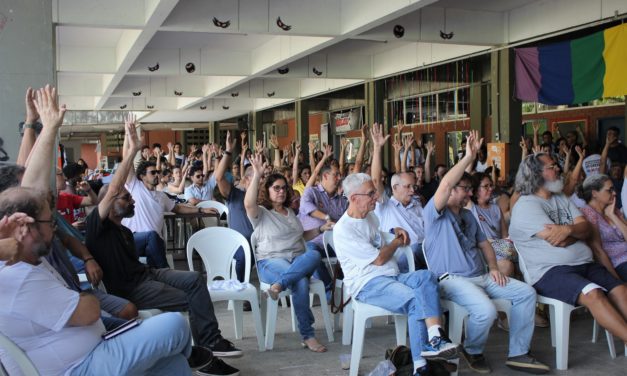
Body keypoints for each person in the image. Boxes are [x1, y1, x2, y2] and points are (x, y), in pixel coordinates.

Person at [85, 117, 240, 376]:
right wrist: (133, 149)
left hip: (147, 274)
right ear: (110, 203)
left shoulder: (123, 229)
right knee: (192, 298)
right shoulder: (97, 227)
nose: (131, 199)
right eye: (125, 198)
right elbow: (114, 187)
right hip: (131, 288)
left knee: (193, 280)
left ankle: (210, 343)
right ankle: (203, 357)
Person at [423, 130, 548, 374]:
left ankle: (519, 352)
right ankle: (473, 349)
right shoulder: (434, 213)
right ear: (451, 190)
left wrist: (492, 267)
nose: (470, 193)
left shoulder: (469, 216)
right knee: (487, 311)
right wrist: (469, 157)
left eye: (471, 189)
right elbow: (447, 182)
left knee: (526, 293)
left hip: (481, 276)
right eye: (465, 189)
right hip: (452, 279)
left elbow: (485, 245)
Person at [333, 169, 461, 376]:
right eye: (371, 194)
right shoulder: (344, 229)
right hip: (368, 284)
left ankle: (435, 335)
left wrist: (394, 231)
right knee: (414, 299)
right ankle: (421, 365)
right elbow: (380, 257)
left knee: (426, 276)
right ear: (354, 198)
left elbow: (378, 240)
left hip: (390, 276)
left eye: (375, 192)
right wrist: (395, 241)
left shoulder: (371, 217)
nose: (376, 197)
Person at [510, 153, 627, 351]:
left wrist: (568, 230)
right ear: (536, 174)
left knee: (621, 289)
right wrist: (574, 232)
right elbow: (560, 239)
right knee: (594, 294)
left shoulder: (560, 198)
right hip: (550, 272)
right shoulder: (525, 206)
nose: (558, 169)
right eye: (552, 166)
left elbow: (587, 228)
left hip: (584, 265)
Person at [244, 153, 331, 353]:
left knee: (314, 254)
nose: (281, 191)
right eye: (276, 188)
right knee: (299, 280)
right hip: (271, 262)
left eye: (284, 188)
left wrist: (320, 229)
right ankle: (308, 335)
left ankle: (279, 285)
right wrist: (257, 174)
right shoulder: (262, 213)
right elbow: (248, 204)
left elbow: (302, 237)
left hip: (297, 260)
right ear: (267, 190)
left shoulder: (291, 213)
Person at [370, 124, 426, 271]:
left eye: (413, 186)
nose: (412, 190)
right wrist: (377, 148)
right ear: (394, 188)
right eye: (407, 187)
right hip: (402, 257)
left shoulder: (417, 204)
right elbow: (375, 181)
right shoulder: (385, 205)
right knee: (415, 250)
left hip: (425, 251)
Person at [299, 161, 347, 293]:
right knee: (312, 253)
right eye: (336, 175)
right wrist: (326, 218)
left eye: (339, 175)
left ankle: (347, 287)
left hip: (334, 244)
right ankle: (329, 291)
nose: (339, 178)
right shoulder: (311, 192)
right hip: (313, 242)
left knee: (351, 250)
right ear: (325, 176)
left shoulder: (342, 200)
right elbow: (307, 207)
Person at [578, 174, 627, 281]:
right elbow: (598, 251)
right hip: (618, 264)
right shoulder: (587, 213)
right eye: (609, 190)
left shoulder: (614, 210)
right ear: (594, 193)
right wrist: (617, 280)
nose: (614, 193)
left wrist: (613, 216)